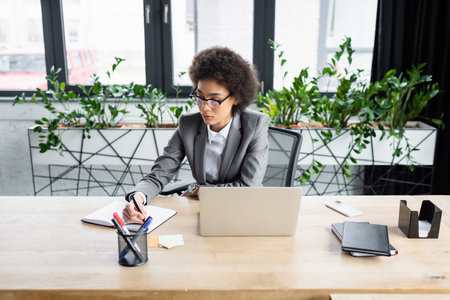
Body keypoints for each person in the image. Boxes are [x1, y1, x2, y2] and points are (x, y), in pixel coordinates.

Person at [123, 46, 270, 223]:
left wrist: (197, 190)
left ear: (236, 98)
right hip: (203, 212)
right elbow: (159, 174)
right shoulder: (188, 125)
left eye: (215, 100)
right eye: (200, 97)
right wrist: (138, 197)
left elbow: (248, 187)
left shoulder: (255, 126)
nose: (205, 107)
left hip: (243, 212)